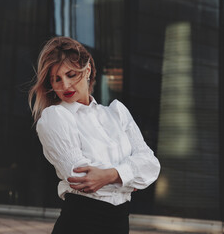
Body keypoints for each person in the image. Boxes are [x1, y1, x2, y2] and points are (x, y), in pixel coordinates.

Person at [29, 36, 160, 234]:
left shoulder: (117, 112)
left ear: (87, 70)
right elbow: (80, 178)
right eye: (57, 79)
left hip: (120, 225)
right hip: (81, 223)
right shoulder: (55, 117)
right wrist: (127, 178)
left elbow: (151, 165)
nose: (65, 85)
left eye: (71, 74)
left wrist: (110, 175)